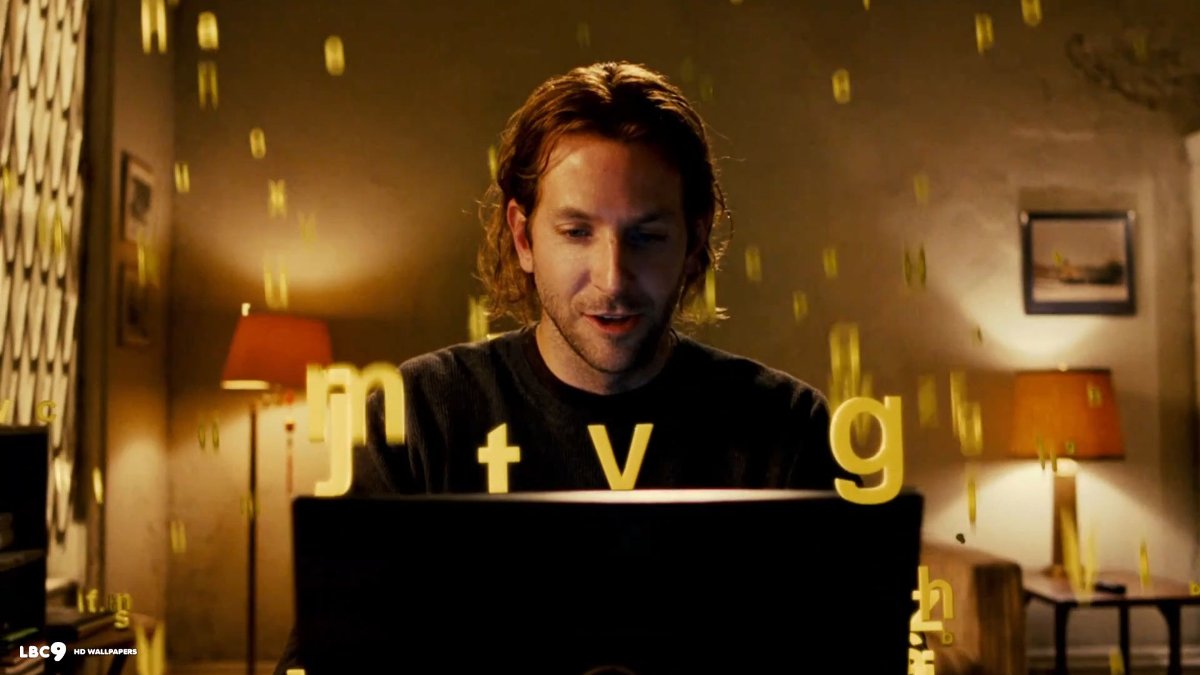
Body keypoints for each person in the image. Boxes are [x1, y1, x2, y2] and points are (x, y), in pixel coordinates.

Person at [273, 60, 851, 674]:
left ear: (694, 239)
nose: (613, 278)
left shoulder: (787, 428)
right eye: (576, 232)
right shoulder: (417, 415)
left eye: (647, 236)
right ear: (524, 238)